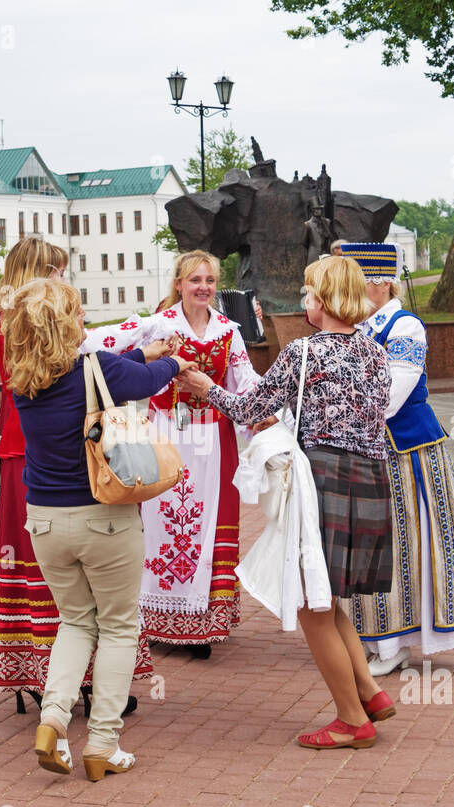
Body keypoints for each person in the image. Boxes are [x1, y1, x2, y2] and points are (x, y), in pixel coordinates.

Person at [180, 256, 396, 750]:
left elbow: (251, 408)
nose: (304, 301)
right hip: (371, 475)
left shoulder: (303, 353)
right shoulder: (374, 351)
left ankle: (350, 720)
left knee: (307, 600)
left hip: (320, 478)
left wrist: (204, 386)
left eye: (308, 293)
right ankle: (369, 691)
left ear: (323, 300)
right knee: (328, 594)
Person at [6, 278, 192, 780]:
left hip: (44, 519)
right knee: (117, 626)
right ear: (66, 323)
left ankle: (52, 721)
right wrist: (175, 361)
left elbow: (122, 370)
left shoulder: (20, 378)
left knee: (75, 622)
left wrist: (144, 352)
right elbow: (147, 380)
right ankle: (103, 744)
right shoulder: (94, 365)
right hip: (103, 516)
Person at [0, 237, 163, 713]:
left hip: (28, 458)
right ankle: (94, 702)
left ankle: (55, 688)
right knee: (98, 600)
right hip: (46, 460)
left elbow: (96, 363)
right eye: (59, 273)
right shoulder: (33, 320)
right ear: (38, 274)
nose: (66, 281)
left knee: (61, 587)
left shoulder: (18, 322)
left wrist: (140, 355)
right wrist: (149, 346)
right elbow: (93, 361)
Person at [82, 251, 261, 658]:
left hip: (215, 441)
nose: (203, 287)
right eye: (194, 279)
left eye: (210, 280)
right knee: (161, 522)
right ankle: (158, 617)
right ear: (178, 283)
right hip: (168, 436)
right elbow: (107, 342)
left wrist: (269, 411)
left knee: (209, 524)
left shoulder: (228, 330)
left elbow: (246, 380)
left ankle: (202, 622)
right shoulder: (160, 326)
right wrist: (71, 338)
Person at [335, 243, 454, 676]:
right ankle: (372, 637)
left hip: (406, 454)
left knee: (404, 545)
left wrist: (334, 412)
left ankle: (397, 642)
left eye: (357, 281)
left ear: (382, 283)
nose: (348, 290)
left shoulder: (405, 328)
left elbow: (391, 395)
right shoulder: (357, 328)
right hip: (368, 451)